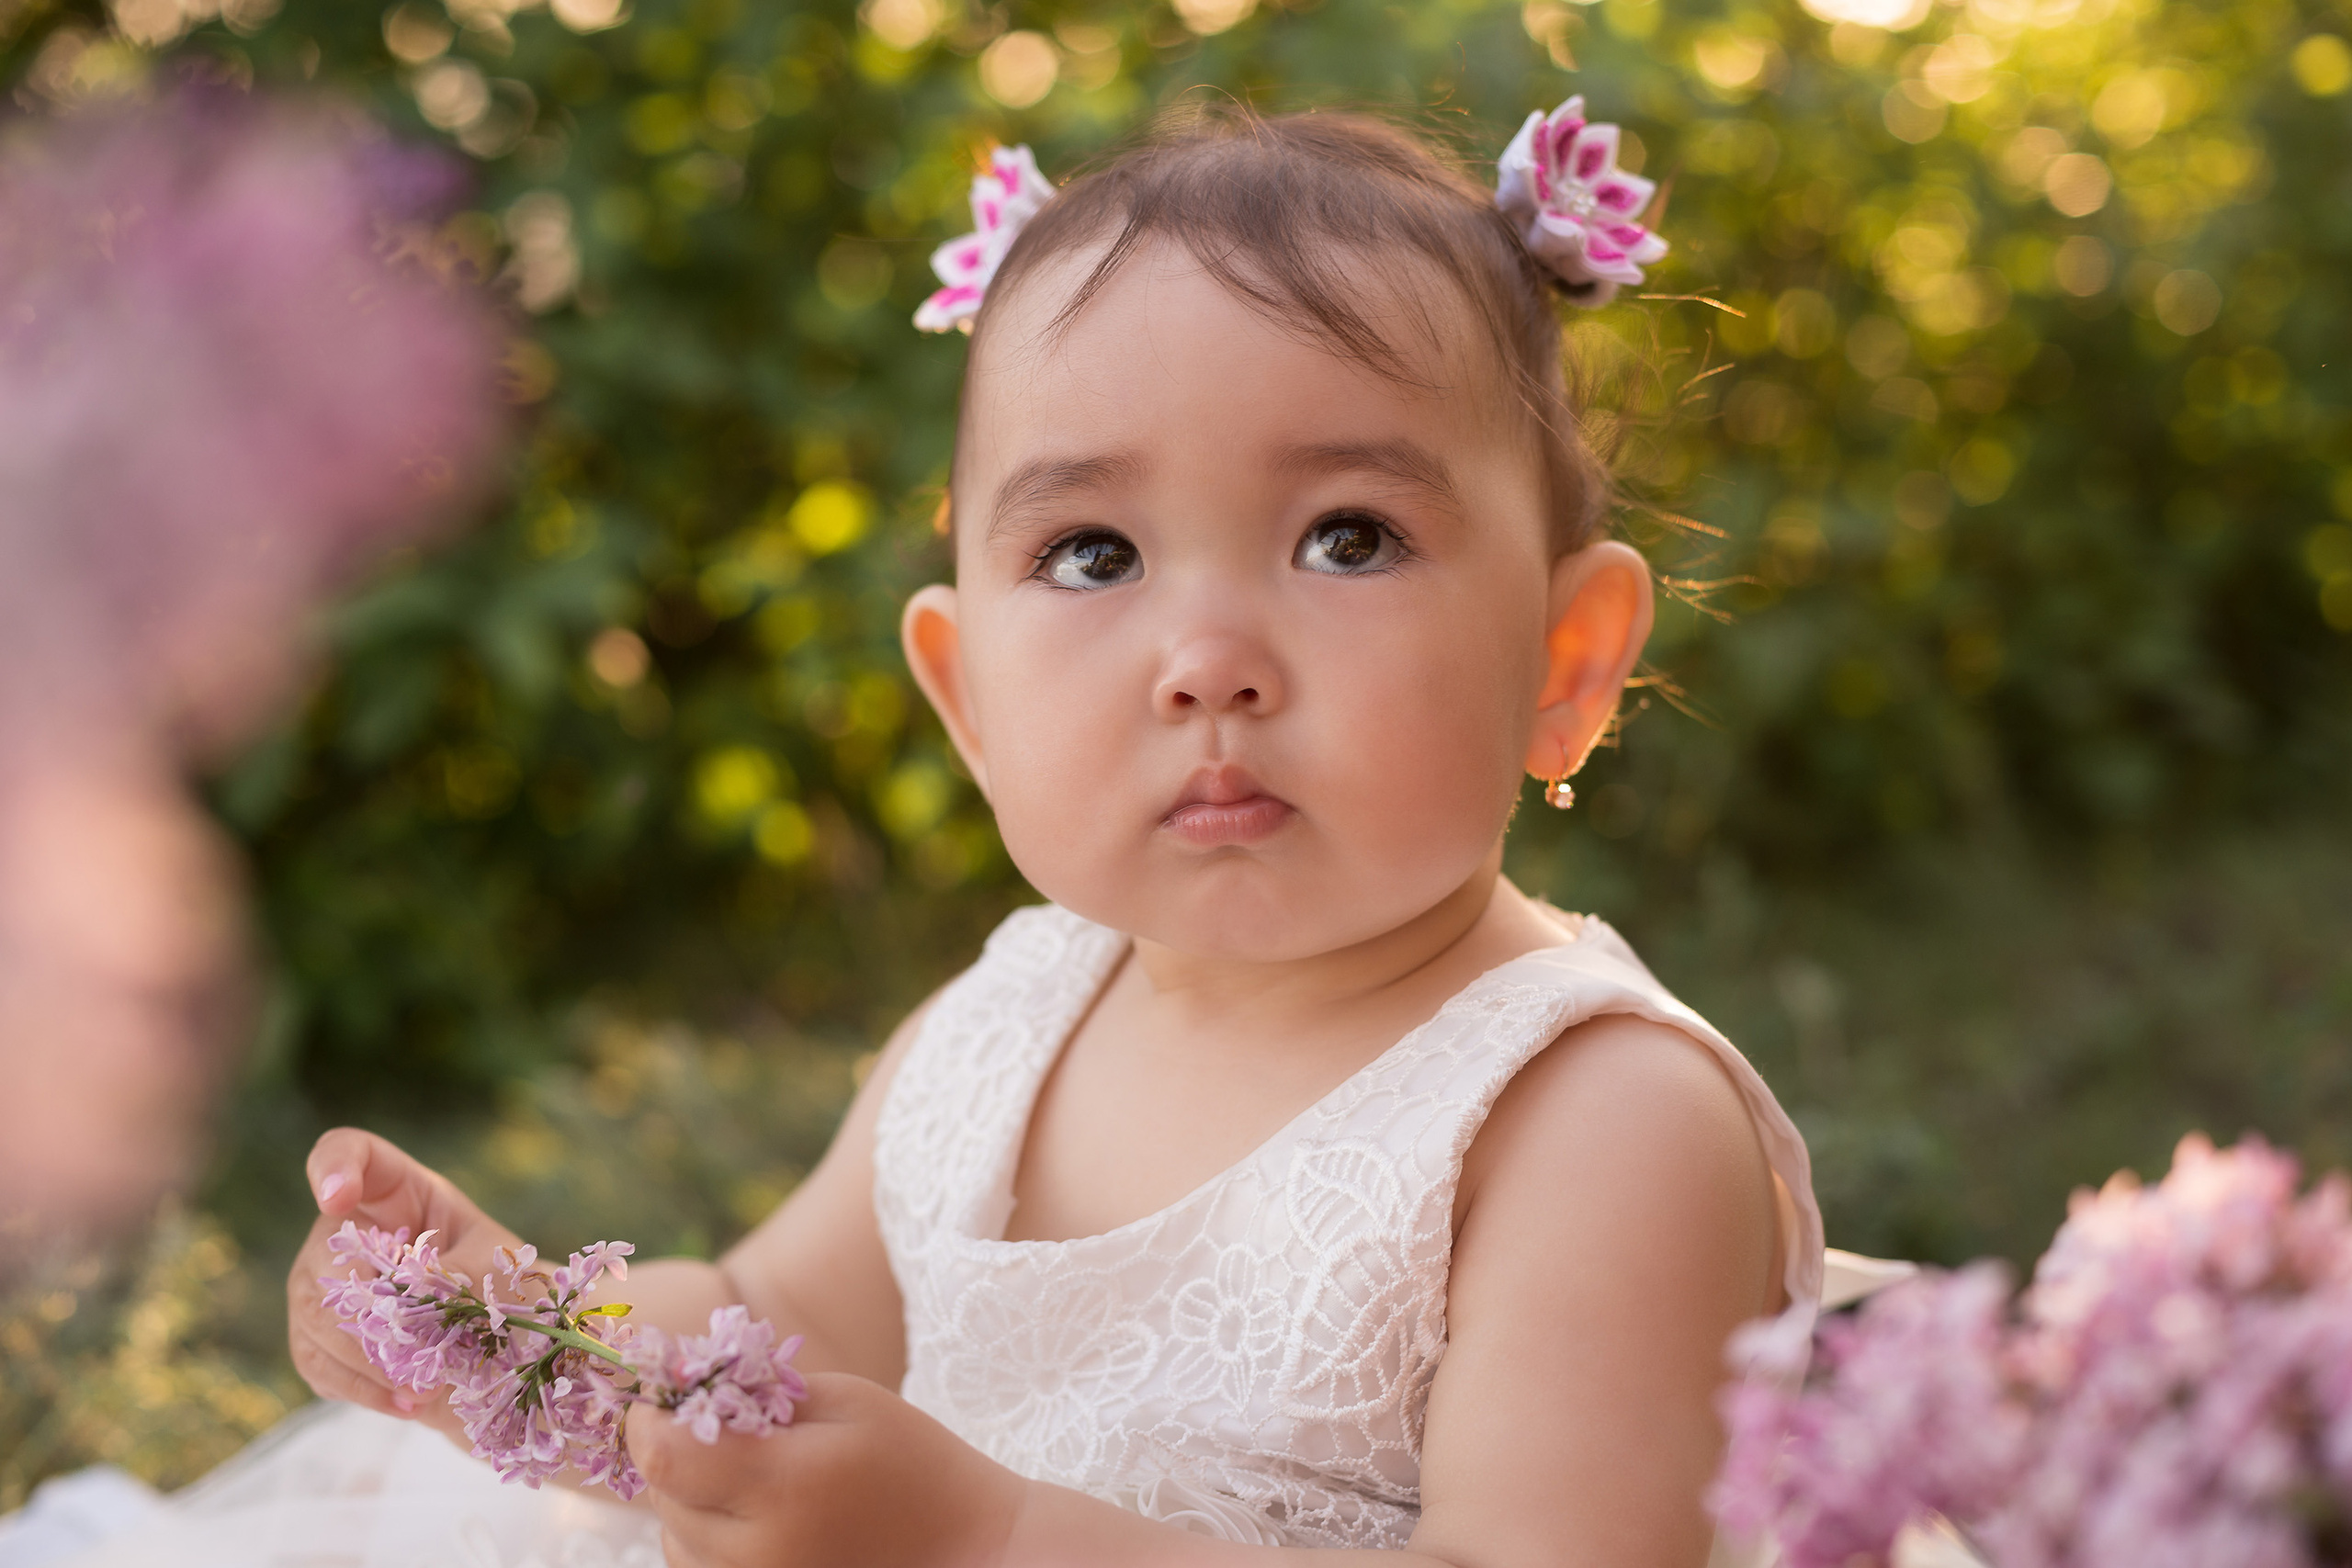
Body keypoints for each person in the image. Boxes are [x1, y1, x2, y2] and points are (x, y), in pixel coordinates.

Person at [11, 102, 1829, 1568]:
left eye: (1345, 534)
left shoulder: (1594, 1124)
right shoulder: (1008, 1019)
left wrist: (990, 1534)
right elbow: (770, 1321)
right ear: (963, 701)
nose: (1205, 661)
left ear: (1566, 658)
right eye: (1091, 553)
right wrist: (512, 1331)